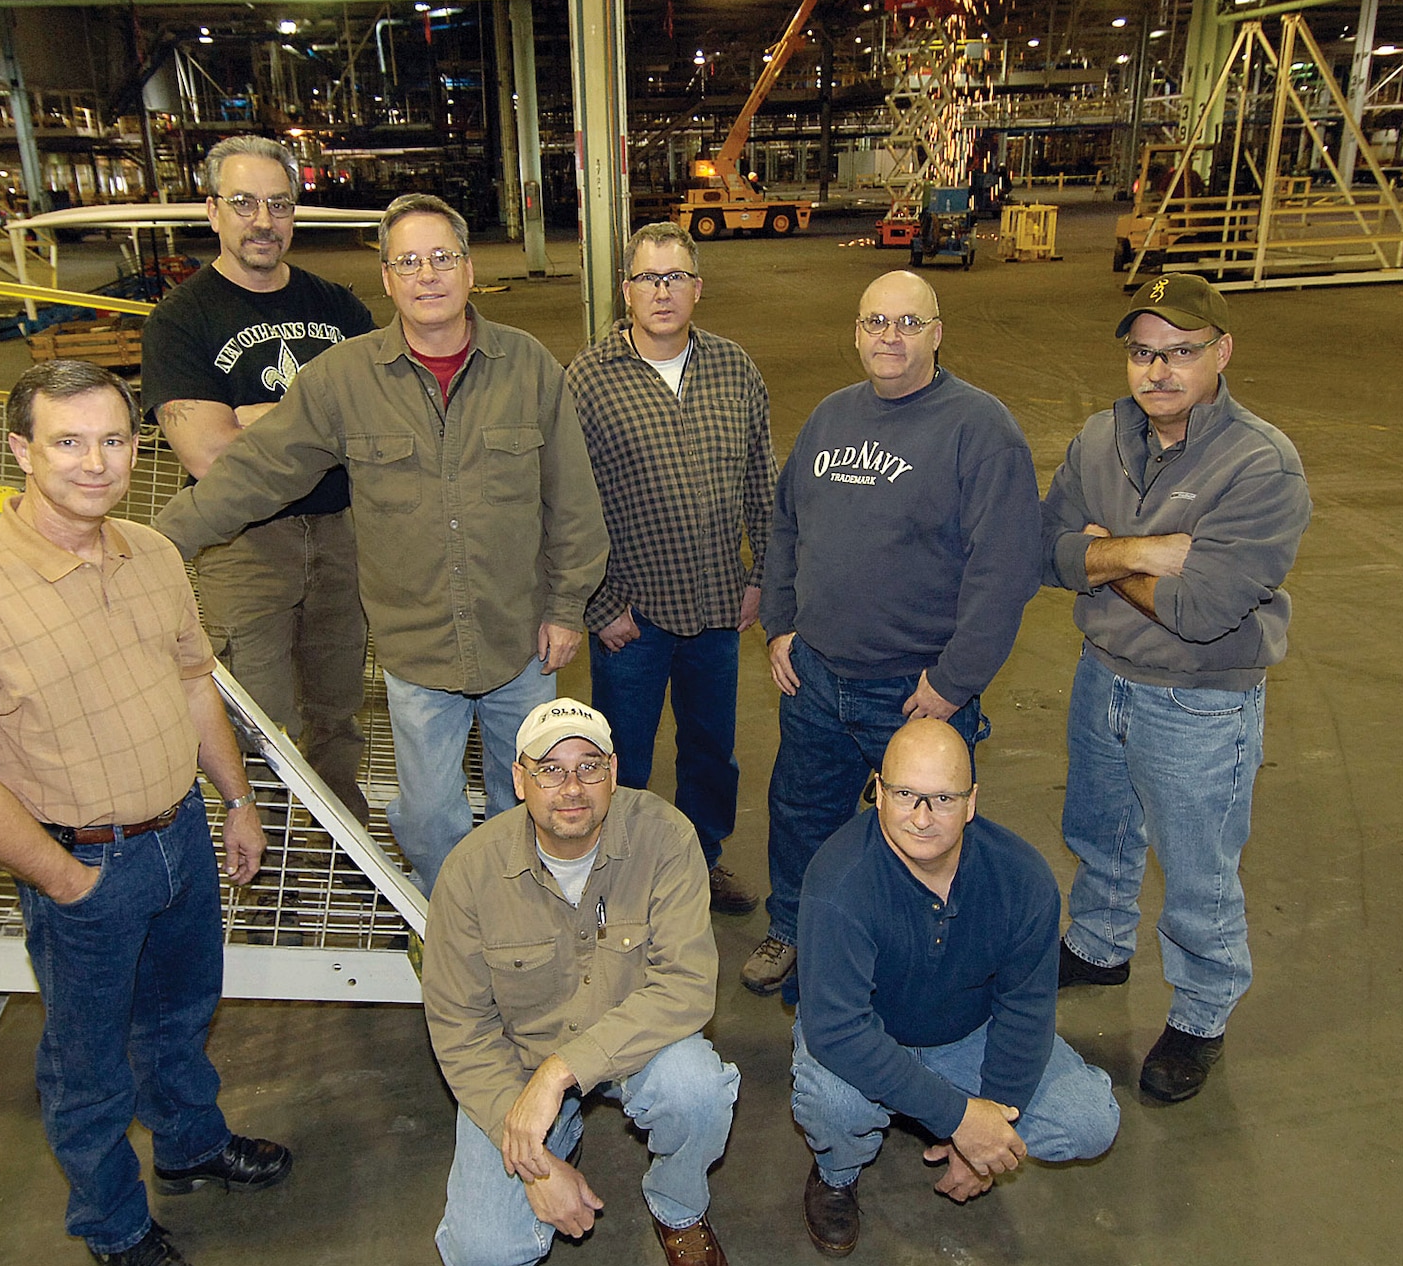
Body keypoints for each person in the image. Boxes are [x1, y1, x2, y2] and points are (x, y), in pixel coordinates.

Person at [0, 360, 291, 1266]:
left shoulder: (150, 553)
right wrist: (64, 880)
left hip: (182, 833)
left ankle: (191, 1146)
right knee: (89, 1065)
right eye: (68, 442)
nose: (95, 462)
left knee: (183, 1017)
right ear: (22, 451)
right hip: (86, 860)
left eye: (114, 439)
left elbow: (196, 681)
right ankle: (115, 1225)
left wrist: (234, 799)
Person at [154, 194, 609, 892]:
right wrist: (154, 546)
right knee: (429, 820)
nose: (427, 275)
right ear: (388, 280)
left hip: (521, 641)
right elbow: (256, 473)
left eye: (441, 258)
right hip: (417, 651)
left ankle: (529, 923)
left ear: (468, 269)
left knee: (535, 806)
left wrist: (568, 604)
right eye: (408, 262)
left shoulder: (529, 366)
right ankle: (457, 923)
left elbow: (573, 499)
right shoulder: (343, 379)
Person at [1041, 273, 1311, 1102]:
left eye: (1181, 352)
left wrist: (1105, 551)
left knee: (1198, 867)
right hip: (1106, 675)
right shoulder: (1099, 437)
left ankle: (1200, 1013)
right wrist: (1148, 552)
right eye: (1143, 353)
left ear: (1222, 353)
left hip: (1201, 700)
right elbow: (1047, 548)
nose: (1158, 370)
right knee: (1100, 828)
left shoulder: (1258, 464)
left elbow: (1198, 613)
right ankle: (1098, 944)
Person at [745, 269, 1042, 997]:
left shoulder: (981, 431)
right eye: (875, 321)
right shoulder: (830, 418)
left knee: (924, 832)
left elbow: (1003, 573)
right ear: (856, 332)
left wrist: (952, 682)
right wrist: (781, 627)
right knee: (800, 813)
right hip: (815, 677)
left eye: (908, 323)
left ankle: (919, 953)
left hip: (913, 692)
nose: (890, 336)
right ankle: (795, 928)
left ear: (937, 333)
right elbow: (785, 525)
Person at [422, 699, 740, 1266]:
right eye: (549, 769)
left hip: (634, 1048)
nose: (571, 788)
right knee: (481, 1255)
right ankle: (553, 1147)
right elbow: (460, 1030)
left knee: (697, 1088)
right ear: (518, 780)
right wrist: (536, 1162)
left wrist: (563, 1071)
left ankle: (680, 1210)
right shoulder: (470, 873)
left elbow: (686, 984)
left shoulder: (666, 838)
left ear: (614, 772)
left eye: (588, 767)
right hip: (518, 1067)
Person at [792, 720, 1119, 1256]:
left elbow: (1026, 1009)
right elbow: (838, 1030)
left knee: (1088, 1122)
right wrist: (959, 1117)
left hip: (966, 1032)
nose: (921, 818)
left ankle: (930, 1116)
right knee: (835, 1104)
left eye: (942, 798)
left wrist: (987, 1125)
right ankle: (837, 1170)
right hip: (869, 1036)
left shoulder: (1023, 880)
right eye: (905, 795)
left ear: (972, 803)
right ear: (877, 791)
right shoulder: (838, 882)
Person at [140, 135, 376, 822]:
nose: (262, 220)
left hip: (344, 539)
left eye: (278, 203)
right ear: (212, 211)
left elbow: (379, 432)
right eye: (243, 203)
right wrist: (321, 423)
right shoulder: (181, 320)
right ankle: (275, 886)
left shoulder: (341, 309)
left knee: (338, 717)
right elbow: (213, 460)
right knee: (259, 725)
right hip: (245, 551)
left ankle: (347, 860)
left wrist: (257, 418)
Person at [564, 221, 777, 916]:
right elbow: (567, 501)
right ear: (625, 291)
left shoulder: (736, 367)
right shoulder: (588, 379)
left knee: (712, 749)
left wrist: (761, 577)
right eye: (648, 278)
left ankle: (701, 860)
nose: (662, 291)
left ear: (697, 288)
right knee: (620, 752)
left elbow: (760, 481)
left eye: (675, 277)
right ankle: (618, 873)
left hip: (718, 606)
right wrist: (600, 606)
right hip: (633, 614)